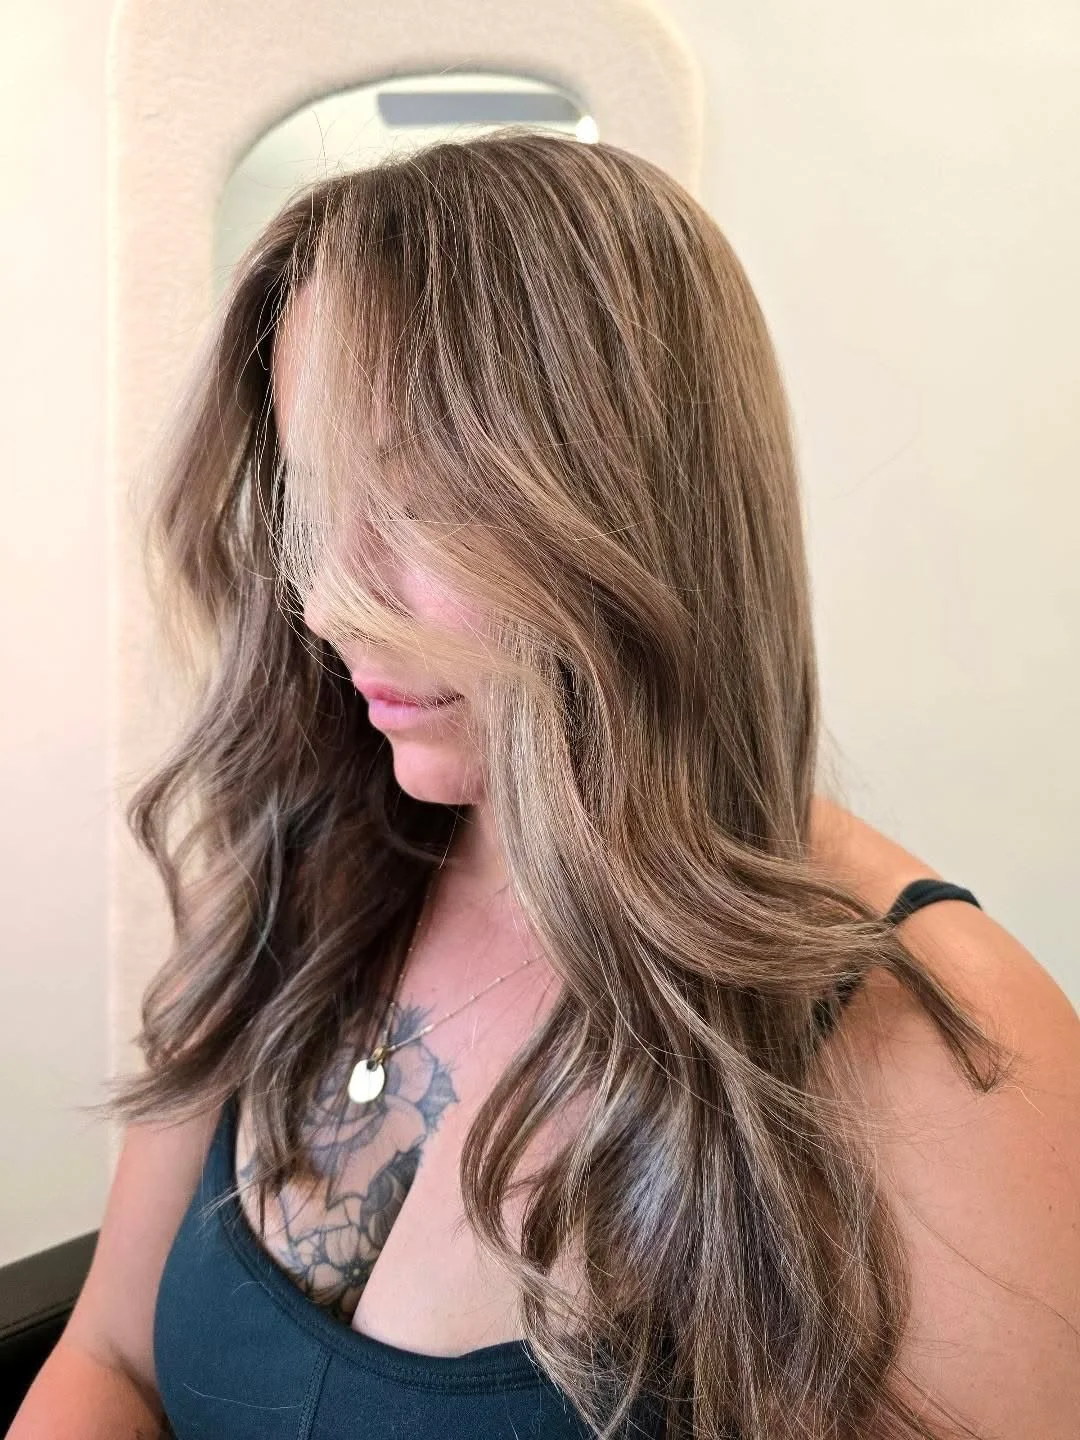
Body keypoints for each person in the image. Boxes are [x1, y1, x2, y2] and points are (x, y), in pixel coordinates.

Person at [14, 130, 1078, 1440]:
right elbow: (113, 1357)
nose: (333, 602)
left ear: (632, 512)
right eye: (314, 498)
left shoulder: (949, 1056)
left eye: (421, 505)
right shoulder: (306, 860)